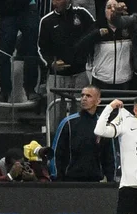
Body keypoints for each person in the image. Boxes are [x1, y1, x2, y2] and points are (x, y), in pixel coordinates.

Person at [38, 0, 94, 132]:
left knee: (82, 112)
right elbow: (41, 49)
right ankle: (54, 144)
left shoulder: (82, 14)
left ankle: (80, 140)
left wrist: (85, 55)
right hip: (57, 76)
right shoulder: (47, 21)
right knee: (56, 114)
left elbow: (94, 32)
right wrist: (51, 63)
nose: (54, 2)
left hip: (79, 73)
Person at [51, 85, 116, 182]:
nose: (84, 98)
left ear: (98, 101)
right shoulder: (68, 122)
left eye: (88, 96)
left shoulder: (103, 126)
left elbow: (110, 156)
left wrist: (111, 180)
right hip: (69, 181)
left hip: (95, 181)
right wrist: (57, 178)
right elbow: (56, 152)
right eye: (82, 95)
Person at [75, 0, 133, 90]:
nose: (112, 10)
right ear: (104, 11)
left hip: (125, 81)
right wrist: (96, 34)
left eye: (115, 7)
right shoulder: (96, 27)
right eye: (109, 7)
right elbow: (80, 47)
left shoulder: (129, 28)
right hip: (101, 81)